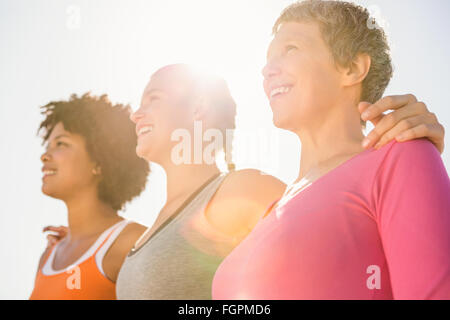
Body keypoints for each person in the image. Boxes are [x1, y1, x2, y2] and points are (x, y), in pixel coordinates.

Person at [212, 0, 450, 300]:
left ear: (352, 68)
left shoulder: (401, 157)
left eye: (291, 49)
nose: (267, 70)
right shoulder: (272, 209)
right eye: (268, 59)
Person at [29, 93, 150, 300]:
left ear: (98, 161)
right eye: (47, 146)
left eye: (61, 144)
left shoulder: (131, 243)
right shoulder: (48, 256)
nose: (45, 155)